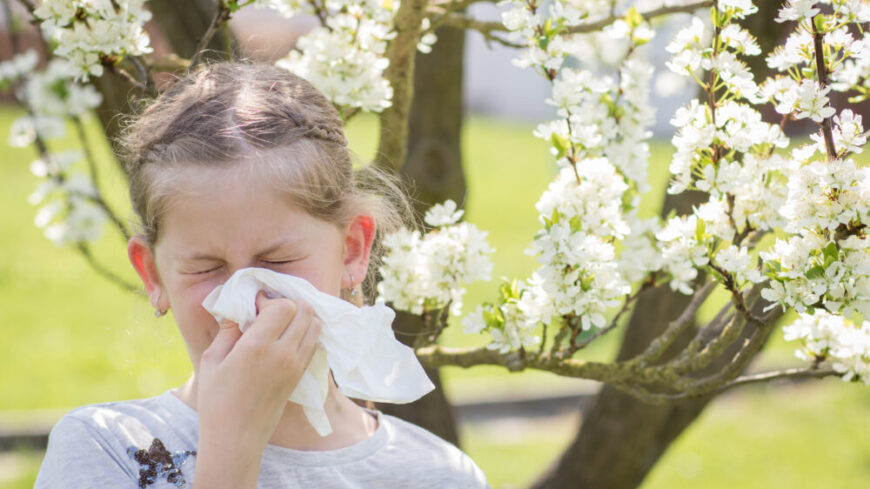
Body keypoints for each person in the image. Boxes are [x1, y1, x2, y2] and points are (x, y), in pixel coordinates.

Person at [34, 62, 491, 489]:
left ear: (352, 249)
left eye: (278, 261)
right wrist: (232, 446)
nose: (248, 300)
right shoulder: (103, 449)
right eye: (205, 267)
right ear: (153, 274)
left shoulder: (436, 476)